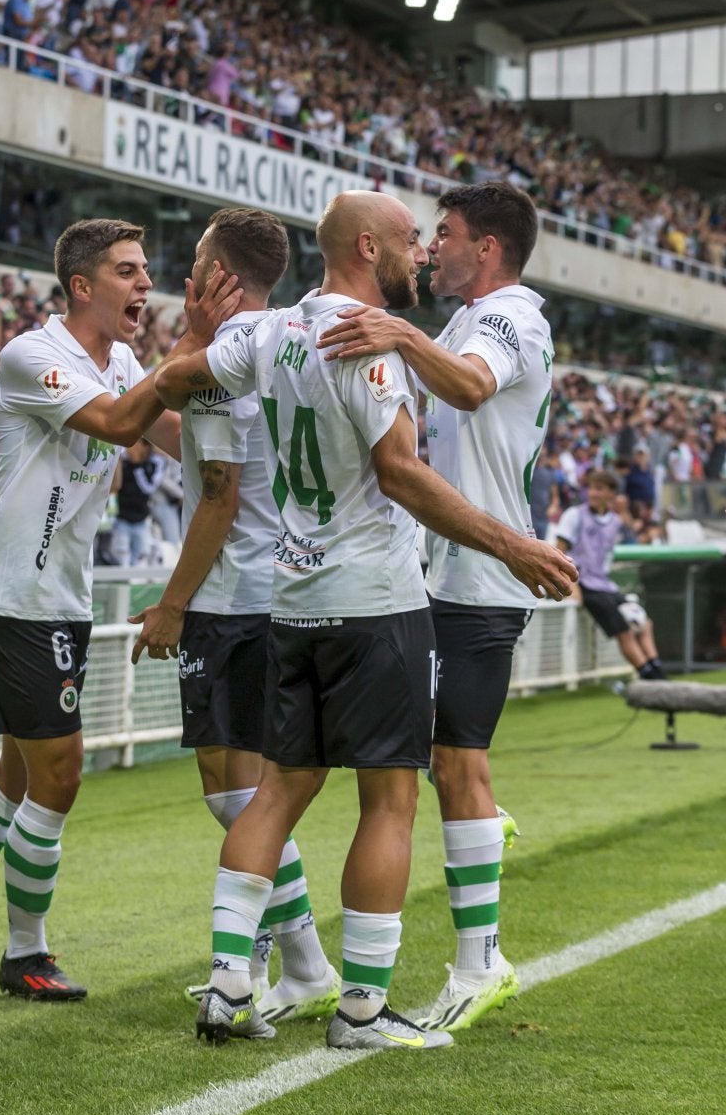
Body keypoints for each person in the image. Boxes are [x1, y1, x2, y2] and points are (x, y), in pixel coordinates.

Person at [154, 190, 576, 1051]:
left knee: (277, 789)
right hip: (380, 598)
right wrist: (514, 545)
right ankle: (365, 1009)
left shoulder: (270, 334)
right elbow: (399, 472)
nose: (423, 251)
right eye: (416, 239)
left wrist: (136, 385)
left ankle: (231, 982)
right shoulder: (370, 344)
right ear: (367, 244)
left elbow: (178, 380)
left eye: (438, 237)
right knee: (391, 799)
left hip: (292, 600)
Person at [0, 219, 198, 1002]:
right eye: (127, 272)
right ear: (82, 286)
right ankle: (25, 952)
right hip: (17, 597)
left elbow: (172, 437)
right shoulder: (33, 354)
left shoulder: (123, 358)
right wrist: (190, 349)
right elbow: (119, 424)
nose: (144, 285)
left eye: (146, 271)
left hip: (60, 595)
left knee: (19, 773)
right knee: (60, 776)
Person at [312, 180, 553, 1032]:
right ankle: (483, 823)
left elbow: (473, 389)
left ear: (485, 247)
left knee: (453, 766)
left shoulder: (504, 318)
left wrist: (399, 332)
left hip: (476, 581)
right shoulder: (461, 320)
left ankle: (480, 965)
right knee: (438, 765)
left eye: (443, 234)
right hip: (439, 575)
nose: (430, 248)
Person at [128, 208, 338, 1026]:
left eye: (195, 262)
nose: (182, 275)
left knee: (237, 795)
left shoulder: (221, 359)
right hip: (274, 588)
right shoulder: (279, 339)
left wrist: (173, 606)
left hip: (232, 597)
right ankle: (292, 961)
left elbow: (219, 496)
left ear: (218, 275)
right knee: (239, 789)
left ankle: (290, 963)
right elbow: (200, 441)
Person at [556, 470, 668, 680]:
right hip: (584, 584)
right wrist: (570, 584)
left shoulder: (615, 522)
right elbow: (559, 550)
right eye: (591, 488)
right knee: (624, 630)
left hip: (605, 584)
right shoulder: (574, 516)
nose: (593, 493)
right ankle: (650, 676)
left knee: (644, 623)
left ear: (611, 493)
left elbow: (627, 545)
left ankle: (657, 668)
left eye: (599, 489)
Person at [114, 438, 161, 565]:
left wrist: (137, 466)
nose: (131, 447)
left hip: (141, 520)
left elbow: (148, 488)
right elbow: (115, 486)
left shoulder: (153, 464)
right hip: (121, 518)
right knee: (121, 559)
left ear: (145, 446)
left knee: (141, 558)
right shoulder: (121, 462)